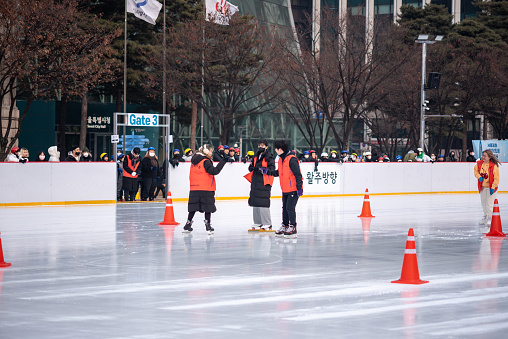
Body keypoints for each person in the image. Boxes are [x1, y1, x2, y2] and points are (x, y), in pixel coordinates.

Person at [260, 140, 303, 238]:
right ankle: (285, 225)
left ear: (280, 149)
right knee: (285, 208)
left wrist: (299, 188)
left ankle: (293, 227)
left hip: (293, 189)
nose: (275, 151)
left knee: (290, 208)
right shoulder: (281, 159)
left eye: (276, 149)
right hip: (285, 188)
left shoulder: (292, 159)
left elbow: (298, 175)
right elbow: (278, 173)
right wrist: (267, 172)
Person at [182, 144, 228, 235]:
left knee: (193, 206)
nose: (211, 153)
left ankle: (188, 224)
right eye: (210, 151)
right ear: (206, 151)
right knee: (208, 206)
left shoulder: (194, 161)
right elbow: (214, 171)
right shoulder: (205, 161)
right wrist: (223, 161)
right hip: (206, 187)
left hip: (194, 187)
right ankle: (208, 225)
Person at [246, 139, 275, 231]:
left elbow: (272, 168)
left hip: (264, 181)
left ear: (266, 147)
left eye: (262, 145)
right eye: (259, 145)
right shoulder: (256, 155)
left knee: (263, 202)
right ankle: (258, 222)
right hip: (255, 181)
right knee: (255, 202)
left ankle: (267, 223)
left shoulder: (269, 157)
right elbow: (251, 166)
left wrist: (262, 169)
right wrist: (252, 168)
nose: (260, 147)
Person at [474, 149, 500, 225]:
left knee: (489, 204)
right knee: (484, 203)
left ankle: (489, 218)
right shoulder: (479, 164)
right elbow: (475, 171)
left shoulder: (493, 166)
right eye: (482, 155)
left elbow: (496, 178)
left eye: (485, 156)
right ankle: (485, 216)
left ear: (489, 157)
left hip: (491, 188)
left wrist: (493, 187)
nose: (483, 157)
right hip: (482, 187)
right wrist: (479, 177)